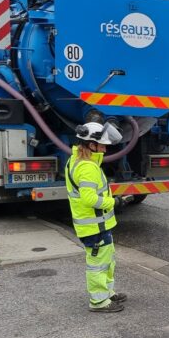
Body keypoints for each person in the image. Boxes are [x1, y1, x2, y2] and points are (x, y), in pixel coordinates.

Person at [66, 121, 127, 313]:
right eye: (102, 145)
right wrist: (114, 202)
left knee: (107, 260)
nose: (105, 149)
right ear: (91, 145)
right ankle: (99, 302)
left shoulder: (76, 160)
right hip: (94, 226)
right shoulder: (87, 167)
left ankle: (107, 293)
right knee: (98, 265)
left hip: (96, 224)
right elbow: (90, 199)